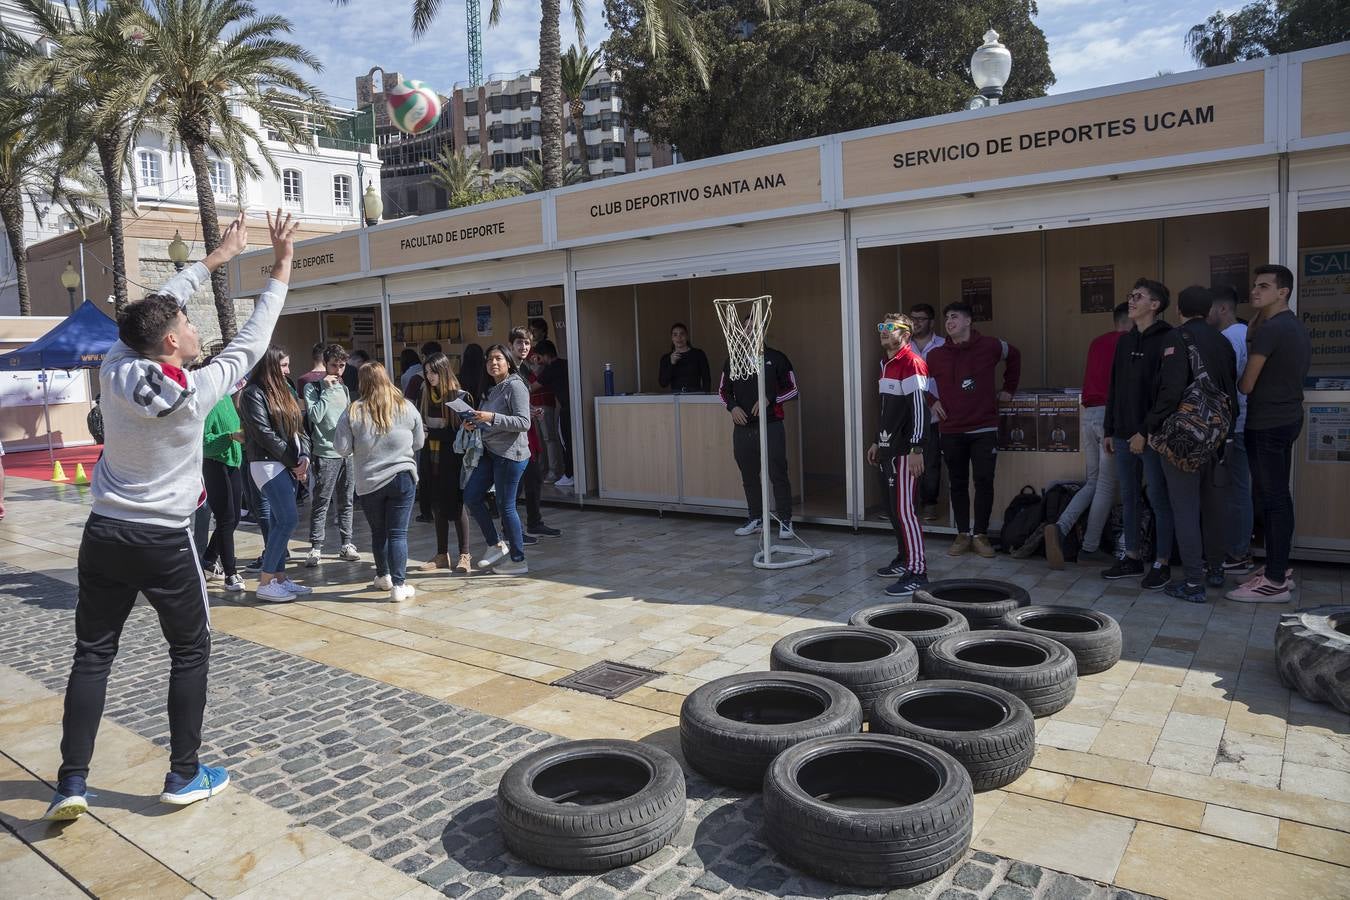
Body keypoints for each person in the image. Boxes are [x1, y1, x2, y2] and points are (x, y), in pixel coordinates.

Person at [43, 210, 298, 822]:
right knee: (189, 651)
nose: (190, 324)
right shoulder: (196, 393)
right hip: (163, 539)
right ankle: (184, 774)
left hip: (104, 532)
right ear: (170, 343)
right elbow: (254, 338)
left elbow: (159, 303)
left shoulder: (113, 362)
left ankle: (71, 783)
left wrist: (212, 260)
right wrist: (280, 264)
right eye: (185, 323)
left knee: (92, 654)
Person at [1227, 264, 1311, 603]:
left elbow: (1246, 384)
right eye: (1255, 285)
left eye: (1264, 286)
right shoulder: (1293, 327)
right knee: (1277, 498)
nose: (1255, 291)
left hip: (1267, 424)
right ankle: (1278, 569)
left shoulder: (1272, 330)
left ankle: (1274, 580)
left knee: (1273, 500)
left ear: (1283, 292)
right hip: (1287, 419)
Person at [1149, 286, 1238, 603]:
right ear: (1210, 310)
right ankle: (1216, 570)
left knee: (1185, 509)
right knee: (1213, 508)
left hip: (1184, 438)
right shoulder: (1223, 341)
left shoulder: (1177, 338)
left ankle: (1193, 583)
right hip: (1218, 436)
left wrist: (1151, 425)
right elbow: (1231, 390)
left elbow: (1171, 390)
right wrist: (1226, 433)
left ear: (1179, 311)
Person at [926, 301, 1021, 558]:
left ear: (968, 321)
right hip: (951, 429)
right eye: (946, 318)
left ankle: (980, 534)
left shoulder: (990, 346)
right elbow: (920, 381)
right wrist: (932, 402)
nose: (949, 322)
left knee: (983, 481)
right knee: (957, 483)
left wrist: (1009, 388)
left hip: (983, 427)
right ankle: (962, 533)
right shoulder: (935, 355)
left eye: (954, 317)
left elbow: (1014, 355)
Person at [1101, 278, 1175, 589]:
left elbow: (1167, 393)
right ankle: (1131, 556)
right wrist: (1109, 429)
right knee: (1128, 496)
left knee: (1158, 497)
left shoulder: (1169, 339)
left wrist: (1145, 431)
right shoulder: (1125, 341)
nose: (1131, 301)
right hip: (1121, 432)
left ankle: (1162, 562)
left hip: (1152, 435)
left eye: (1138, 296)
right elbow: (1114, 387)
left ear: (1154, 305)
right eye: (1130, 296)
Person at [1044, 302, 1129, 568]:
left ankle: (1060, 527)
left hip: (1090, 413)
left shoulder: (1097, 342)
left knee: (1093, 481)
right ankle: (1090, 547)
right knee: (1106, 485)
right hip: (1111, 416)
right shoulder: (1129, 343)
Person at [335, 361, 424, 601]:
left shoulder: (353, 410)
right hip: (402, 476)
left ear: (362, 382)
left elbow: (341, 448)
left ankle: (383, 576)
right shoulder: (407, 406)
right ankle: (399, 585)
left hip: (369, 481)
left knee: (378, 532)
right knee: (398, 534)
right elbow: (419, 443)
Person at [241, 346, 312, 603]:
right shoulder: (252, 394)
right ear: (270, 365)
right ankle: (266, 580)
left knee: (282, 521)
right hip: (267, 464)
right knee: (287, 520)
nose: (288, 370)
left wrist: (304, 456)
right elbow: (264, 434)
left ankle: (280, 578)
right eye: (283, 366)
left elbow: (300, 428)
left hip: (288, 462)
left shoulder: (284, 390)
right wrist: (294, 462)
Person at [866, 313, 930, 597]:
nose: (883, 331)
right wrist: (878, 442)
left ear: (905, 334)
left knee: (906, 512)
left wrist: (917, 448)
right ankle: (904, 559)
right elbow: (886, 412)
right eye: (881, 326)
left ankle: (918, 572)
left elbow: (920, 410)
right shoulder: (885, 364)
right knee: (894, 511)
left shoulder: (912, 363)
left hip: (907, 452)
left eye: (890, 327)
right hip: (888, 450)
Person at [718, 316, 799, 538]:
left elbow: (793, 389)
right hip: (743, 428)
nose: (751, 332)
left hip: (771, 425)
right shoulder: (733, 360)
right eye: (747, 328)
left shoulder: (777, 358)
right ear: (741, 332)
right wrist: (732, 408)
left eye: (756, 328)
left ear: (763, 332)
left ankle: (785, 521)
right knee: (749, 475)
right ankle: (756, 518)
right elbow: (723, 391)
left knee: (777, 473)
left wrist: (769, 399)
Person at [462, 344, 533, 574]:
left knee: (506, 506)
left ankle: (518, 559)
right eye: (489, 359)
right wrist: (473, 423)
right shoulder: (492, 388)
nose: (493, 363)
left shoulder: (515, 386)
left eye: (498, 359)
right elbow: (488, 421)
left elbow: (524, 422)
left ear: (508, 361)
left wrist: (492, 417)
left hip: (511, 455)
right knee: (471, 496)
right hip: (490, 453)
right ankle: (495, 544)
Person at [1207, 286, 1254, 576]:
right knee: (1240, 489)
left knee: (1236, 491)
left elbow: (1225, 387)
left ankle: (1237, 552)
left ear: (1222, 309)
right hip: (1244, 423)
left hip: (1235, 427)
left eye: (1210, 308)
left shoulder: (1228, 339)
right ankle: (1239, 549)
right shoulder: (1246, 333)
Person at [416, 352, 473, 573]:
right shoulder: (425, 394)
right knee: (437, 504)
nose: (429, 377)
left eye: (433, 372)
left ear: (444, 370)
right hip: (430, 457)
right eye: (427, 372)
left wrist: (435, 434)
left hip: (453, 459)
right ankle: (442, 554)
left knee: (457, 506)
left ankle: (465, 554)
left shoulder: (460, 396)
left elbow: (462, 433)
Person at [303, 344, 359, 568]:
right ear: (325, 364)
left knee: (347, 500)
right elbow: (315, 417)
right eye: (334, 365)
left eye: (342, 365)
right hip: (325, 452)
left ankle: (347, 543)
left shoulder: (344, 388)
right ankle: (316, 546)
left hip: (347, 452)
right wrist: (325, 390)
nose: (337, 369)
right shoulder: (313, 388)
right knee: (322, 500)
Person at [509, 328, 562, 537]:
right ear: (511, 345)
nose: (523, 347)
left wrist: (530, 410)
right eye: (519, 343)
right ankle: (511, 531)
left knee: (533, 479)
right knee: (515, 484)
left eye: (527, 344)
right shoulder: (508, 368)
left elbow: (527, 392)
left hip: (526, 431)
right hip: (512, 434)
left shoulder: (523, 369)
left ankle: (534, 522)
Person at [200, 369, 247, 593]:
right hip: (215, 464)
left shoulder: (227, 398)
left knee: (234, 518)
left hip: (232, 463)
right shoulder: (208, 402)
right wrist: (229, 437)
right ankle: (231, 573)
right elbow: (204, 442)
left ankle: (208, 559)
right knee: (226, 518)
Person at [907, 304, 945, 521]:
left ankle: (929, 504)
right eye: (913, 318)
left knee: (930, 462)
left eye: (921, 319)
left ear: (931, 321)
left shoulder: (943, 345)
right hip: (910, 415)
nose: (916, 323)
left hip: (934, 415)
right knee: (907, 461)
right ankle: (907, 504)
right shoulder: (905, 346)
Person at [526, 337, 566, 484]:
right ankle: (542, 470)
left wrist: (535, 366)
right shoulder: (526, 363)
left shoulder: (547, 366)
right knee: (540, 440)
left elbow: (535, 384)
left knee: (549, 438)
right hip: (532, 405)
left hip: (545, 404)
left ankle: (554, 471)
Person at [534, 340, 573, 487]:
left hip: (565, 409)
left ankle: (569, 474)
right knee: (570, 442)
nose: (539, 359)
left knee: (564, 442)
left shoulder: (549, 370)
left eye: (539, 356)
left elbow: (532, 387)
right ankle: (571, 473)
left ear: (545, 355)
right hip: (574, 407)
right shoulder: (565, 363)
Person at [658, 323, 711, 393]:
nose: (679, 338)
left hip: (696, 394)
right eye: (675, 335)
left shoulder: (698, 354)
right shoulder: (666, 358)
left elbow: (706, 378)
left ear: (686, 336)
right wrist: (671, 364)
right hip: (675, 395)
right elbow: (663, 383)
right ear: (672, 338)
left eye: (682, 334)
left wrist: (705, 396)